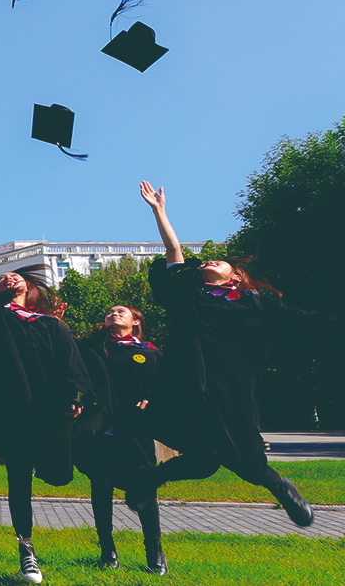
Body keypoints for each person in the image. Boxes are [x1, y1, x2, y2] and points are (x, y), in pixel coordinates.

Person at [139, 181, 336, 530]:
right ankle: (148, 482)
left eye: (222, 260)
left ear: (236, 277)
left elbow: (312, 324)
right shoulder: (188, 295)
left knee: (238, 459)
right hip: (188, 386)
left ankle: (282, 489)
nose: (212, 260)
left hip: (234, 389)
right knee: (203, 460)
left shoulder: (259, 306)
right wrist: (160, 212)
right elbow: (174, 253)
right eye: (208, 262)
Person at [0, 212, 90, 584]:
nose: (10, 278)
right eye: (3, 278)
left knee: (58, 477)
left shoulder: (50, 325)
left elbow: (72, 365)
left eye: (19, 276)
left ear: (31, 289)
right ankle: (27, 550)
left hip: (52, 410)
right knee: (18, 480)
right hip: (13, 409)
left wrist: (74, 396)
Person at [74, 303, 166, 573]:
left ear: (136, 322)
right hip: (100, 431)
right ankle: (108, 552)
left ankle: (155, 554)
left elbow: (165, 385)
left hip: (136, 431)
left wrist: (153, 399)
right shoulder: (94, 348)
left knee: (145, 492)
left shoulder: (150, 352)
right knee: (101, 490)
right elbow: (69, 361)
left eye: (121, 312)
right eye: (109, 312)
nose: (113, 315)